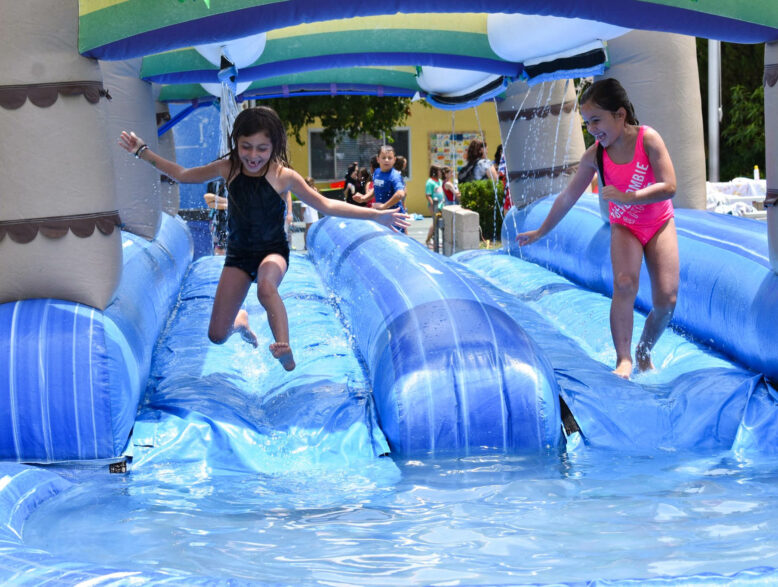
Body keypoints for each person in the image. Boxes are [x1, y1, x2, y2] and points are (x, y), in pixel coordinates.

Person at [119, 106, 409, 372]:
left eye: (262, 148)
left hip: (273, 250)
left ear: (274, 147)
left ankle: (283, 346)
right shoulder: (228, 167)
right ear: (237, 143)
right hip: (239, 255)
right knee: (216, 335)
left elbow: (326, 205)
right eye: (246, 147)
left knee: (266, 287)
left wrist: (375, 215)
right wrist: (142, 151)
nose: (253, 155)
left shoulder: (284, 176)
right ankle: (239, 322)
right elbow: (183, 174)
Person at [516, 78, 678, 379]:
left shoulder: (648, 139)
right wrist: (541, 232)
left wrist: (631, 197)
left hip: (658, 223)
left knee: (666, 301)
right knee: (625, 283)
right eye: (587, 123)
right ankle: (624, 359)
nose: (592, 129)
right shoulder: (595, 156)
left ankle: (644, 349)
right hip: (625, 226)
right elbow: (567, 197)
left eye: (596, 120)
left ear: (620, 114)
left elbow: (669, 186)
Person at [354, 145, 406, 231]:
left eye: (390, 158)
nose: (386, 160)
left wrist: (384, 206)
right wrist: (364, 198)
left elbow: (400, 194)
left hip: (394, 218)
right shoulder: (377, 172)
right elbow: (377, 188)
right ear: (378, 159)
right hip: (381, 216)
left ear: (394, 160)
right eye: (383, 157)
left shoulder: (394, 176)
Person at [204, 180, 229, 255]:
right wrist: (233, 204)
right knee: (220, 246)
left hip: (237, 222)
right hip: (220, 221)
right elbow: (208, 198)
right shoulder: (216, 181)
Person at [424, 165, 444, 247]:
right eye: (439, 171)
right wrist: (433, 205)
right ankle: (428, 240)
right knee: (435, 222)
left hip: (441, 206)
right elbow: (428, 195)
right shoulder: (430, 182)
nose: (441, 173)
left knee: (438, 222)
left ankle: (435, 240)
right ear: (435, 172)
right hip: (434, 206)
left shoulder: (440, 181)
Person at [300, 176, 321, 249]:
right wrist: (302, 214)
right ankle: (307, 244)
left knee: (311, 229)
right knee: (309, 229)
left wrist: (301, 214)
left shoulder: (310, 191)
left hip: (311, 212)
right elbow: (303, 207)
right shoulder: (307, 192)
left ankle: (309, 244)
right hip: (309, 213)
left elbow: (303, 207)